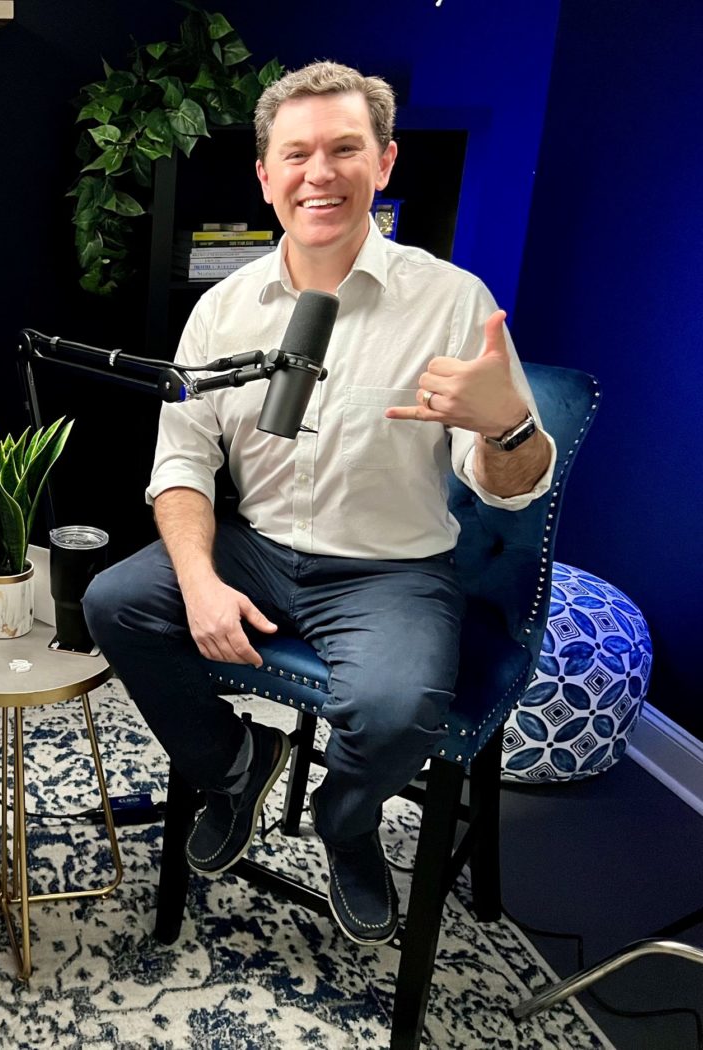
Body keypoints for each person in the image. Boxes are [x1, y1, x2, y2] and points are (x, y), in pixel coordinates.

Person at [84, 61, 555, 947]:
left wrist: (507, 427)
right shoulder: (222, 311)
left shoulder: (453, 304)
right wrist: (199, 581)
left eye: (345, 149)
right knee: (115, 602)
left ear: (385, 162)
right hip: (255, 545)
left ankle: (345, 821)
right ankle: (238, 765)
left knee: (394, 707)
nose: (320, 174)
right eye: (296, 155)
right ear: (266, 176)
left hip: (390, 569)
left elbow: (514, 484)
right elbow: (181, 461)